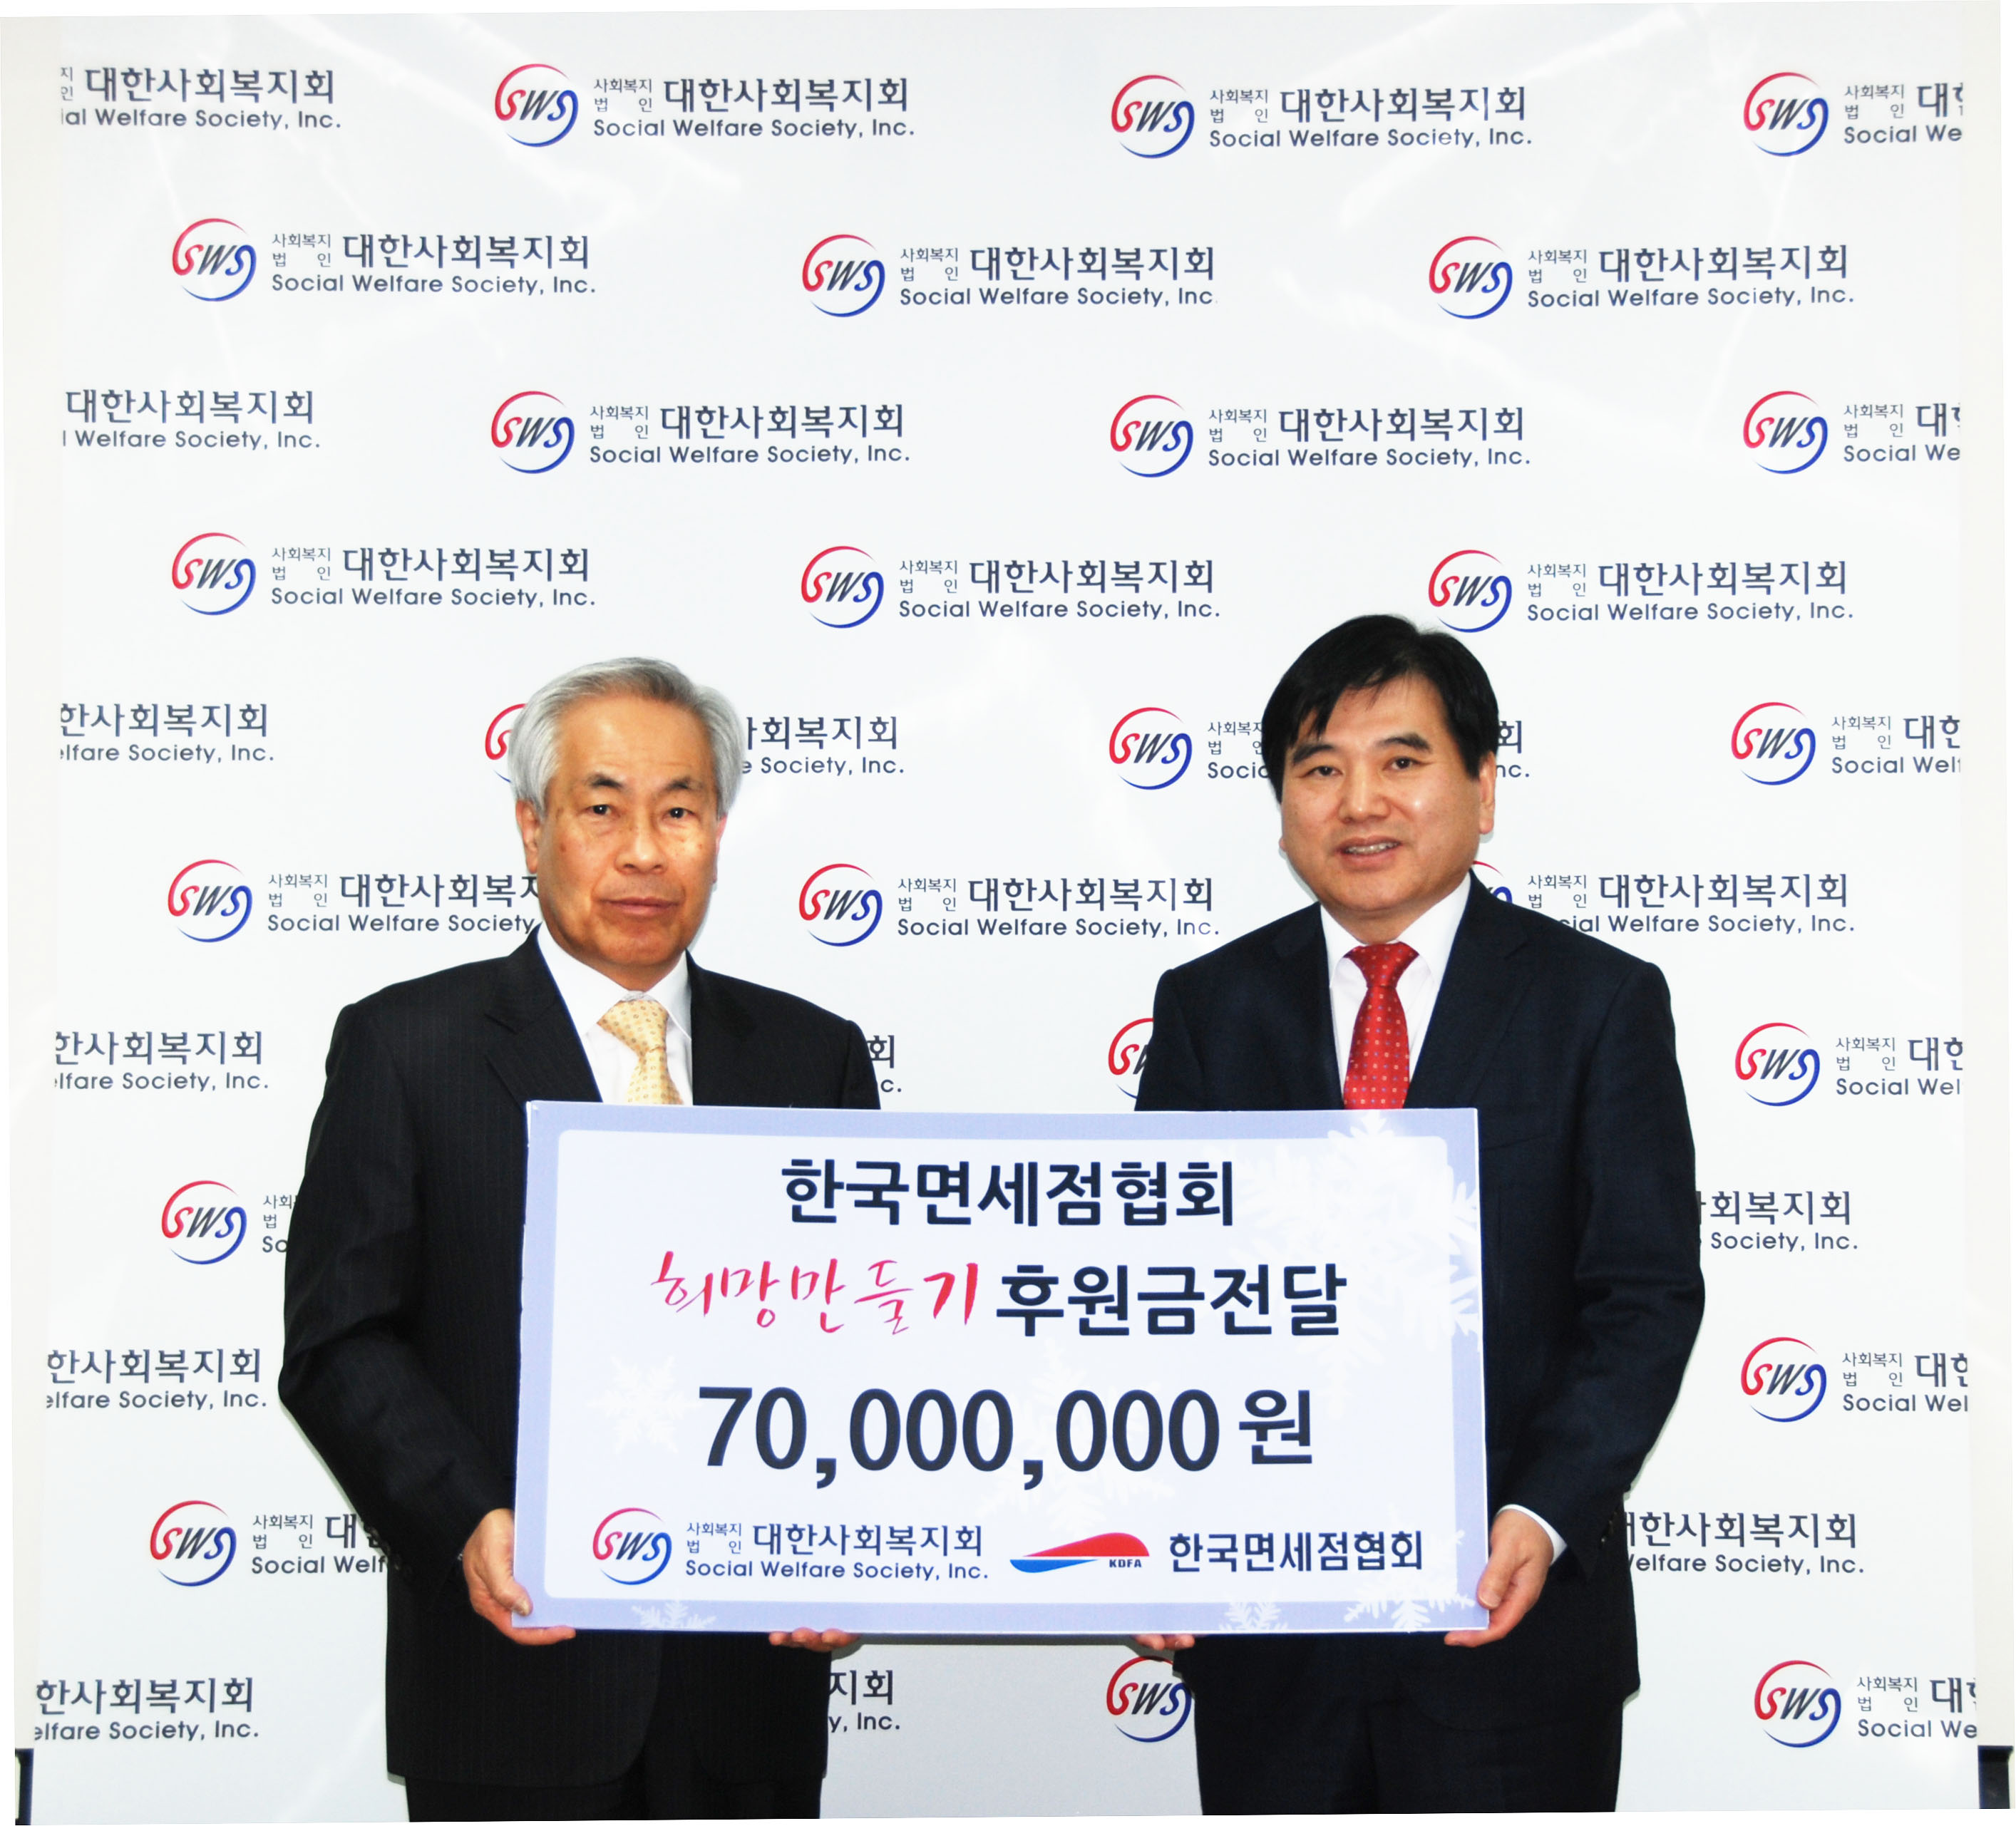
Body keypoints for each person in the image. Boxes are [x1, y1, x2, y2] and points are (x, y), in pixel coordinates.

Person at [281, 659, 870, 1822]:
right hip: (513, 1679)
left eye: (680, 810)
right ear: (532, 829)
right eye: (602, 808)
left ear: (718, 831)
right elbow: (340, 1338)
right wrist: (466, 1516)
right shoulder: (409, 1047)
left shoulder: (814, 1057)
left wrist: (850, 1538)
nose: (644, 851)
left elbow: (863, 1336)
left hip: (748, 1693)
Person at [1134, 615, 1703, 1812]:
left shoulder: (1597, 1002)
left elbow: (1644, 1296)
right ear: (1283, 806)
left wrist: (1540, 1511)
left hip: (1507, 1632)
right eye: (1319, 768)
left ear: (1483, 789)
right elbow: (1154, 1298)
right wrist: (1158, 1526)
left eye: (1402, 760)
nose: (1360, 803)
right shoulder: (1207, 1007)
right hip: (1271, 1643)